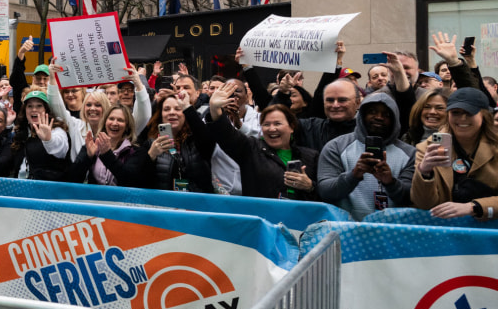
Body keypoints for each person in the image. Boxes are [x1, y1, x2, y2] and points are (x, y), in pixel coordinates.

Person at [202, 87, 319, 200]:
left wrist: (310, 186)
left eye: (277, 124)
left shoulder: (311, 157)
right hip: (262, 217)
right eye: (266, 124)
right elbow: (226, 135)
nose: (272, 129)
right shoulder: (252, 149)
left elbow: (326, 193)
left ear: (292, 127)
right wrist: (215, 110)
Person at [317, 92, 416, 220]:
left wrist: (390, 182)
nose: (379, 117)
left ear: (394, 119)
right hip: (346, 228)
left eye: (386, 114)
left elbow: (411, 197)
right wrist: (354, 175)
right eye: (372, 112)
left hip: (393, 230)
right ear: (362, 116)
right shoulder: (336, 147)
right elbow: (325, 191)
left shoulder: (410, 153)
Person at [411, 87, 498, 219]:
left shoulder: (495, 146)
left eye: (469, 113)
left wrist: (474, 207)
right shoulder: (428, 148)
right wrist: (424, 173)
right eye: (455, 112)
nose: (462, 118)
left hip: (489, 231)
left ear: (484, 115)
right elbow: (424, 205)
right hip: (446, 231)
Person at [127, 91, 216, 193]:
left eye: (178, 109)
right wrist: (150, 156)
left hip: (196, 204)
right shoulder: (151, 144)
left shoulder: (196, 139)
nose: (172, 112)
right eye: (166, 109)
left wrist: (187, 107)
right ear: (161, 115)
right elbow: (135, 178)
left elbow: (207, 141)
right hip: (164, 204)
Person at [9, 89, 70, 181]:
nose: (34, 109)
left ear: (46, 110)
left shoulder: (56, 130)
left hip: (47, 189)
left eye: (39, 106)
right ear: (25, 110)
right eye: (30, 106)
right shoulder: (21, 133)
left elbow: (61, 150)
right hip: (22, 187)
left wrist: (49, 140)